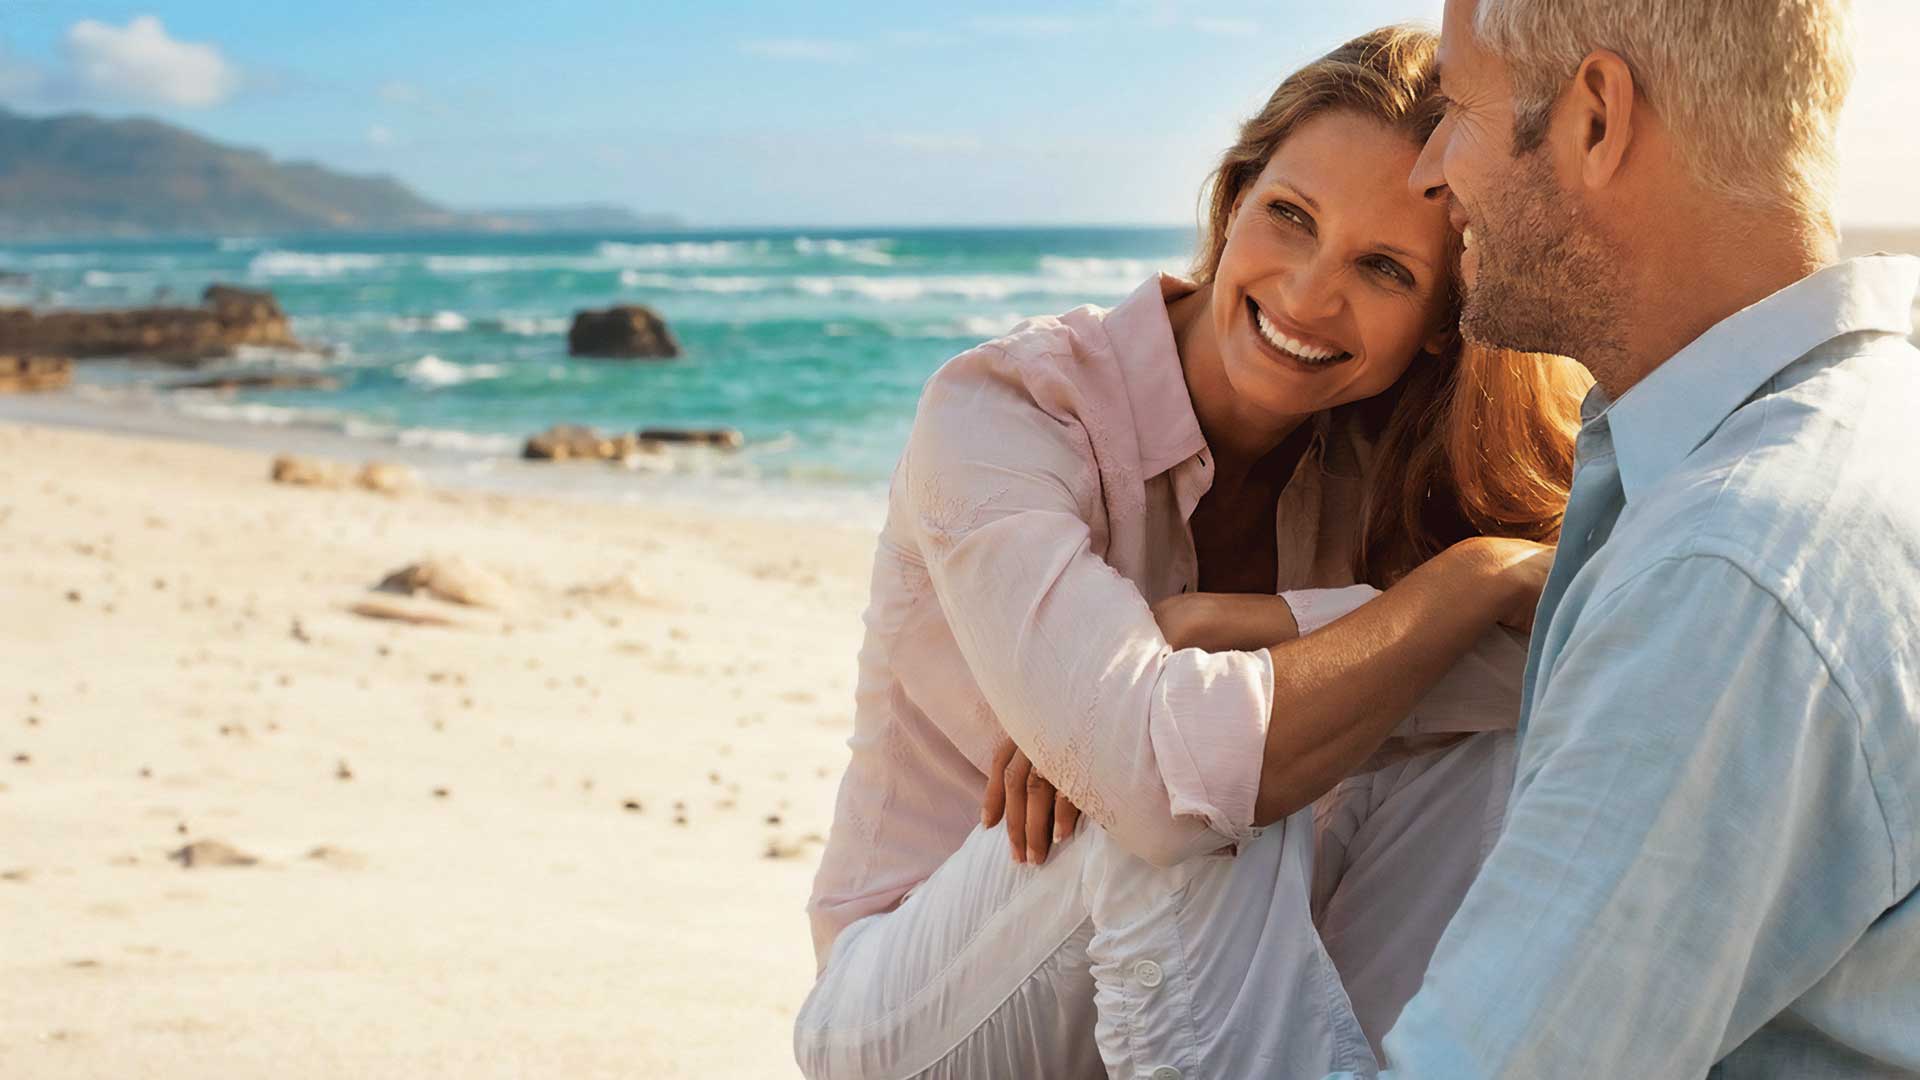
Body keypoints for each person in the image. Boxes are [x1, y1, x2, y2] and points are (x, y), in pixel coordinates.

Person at [794, 26, 1588, 1078]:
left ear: (1444, 322)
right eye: (1290, 215)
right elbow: (1155, 785)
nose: (1307, 294)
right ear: (1235, 200)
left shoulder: (1388, 464)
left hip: (1194, 988)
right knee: (1191, 786)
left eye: (1385, 269)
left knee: (1476, 750)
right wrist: (1465, 586)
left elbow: (1570, 668)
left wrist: (1241, 624)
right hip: (916, 1010)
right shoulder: (1008, 409)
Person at [1313, 0, 1920, 1075]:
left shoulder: (1728, 578)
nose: (1431, 171)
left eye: (1457, 110)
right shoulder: (1864, 423)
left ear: (1595, 118)